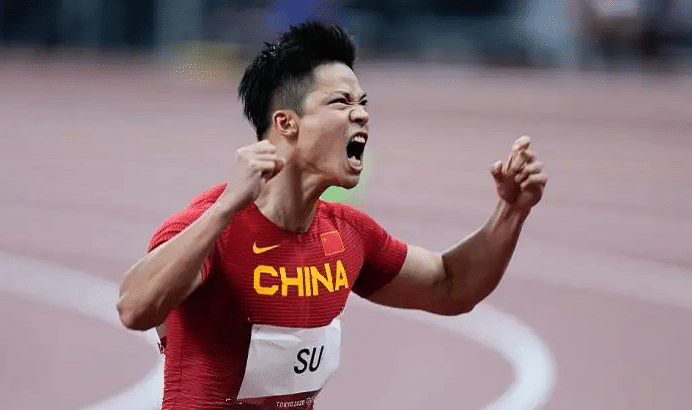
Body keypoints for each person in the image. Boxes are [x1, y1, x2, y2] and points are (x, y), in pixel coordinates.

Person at [117, 21, 547, 410]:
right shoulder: (209, 226)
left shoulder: (348, 233)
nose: (362, 113)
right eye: (341, 102)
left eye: (362, 102)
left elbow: (450, 286)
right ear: (287, 123)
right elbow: (134, 309)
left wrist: (511, 211)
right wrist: (227, 207)